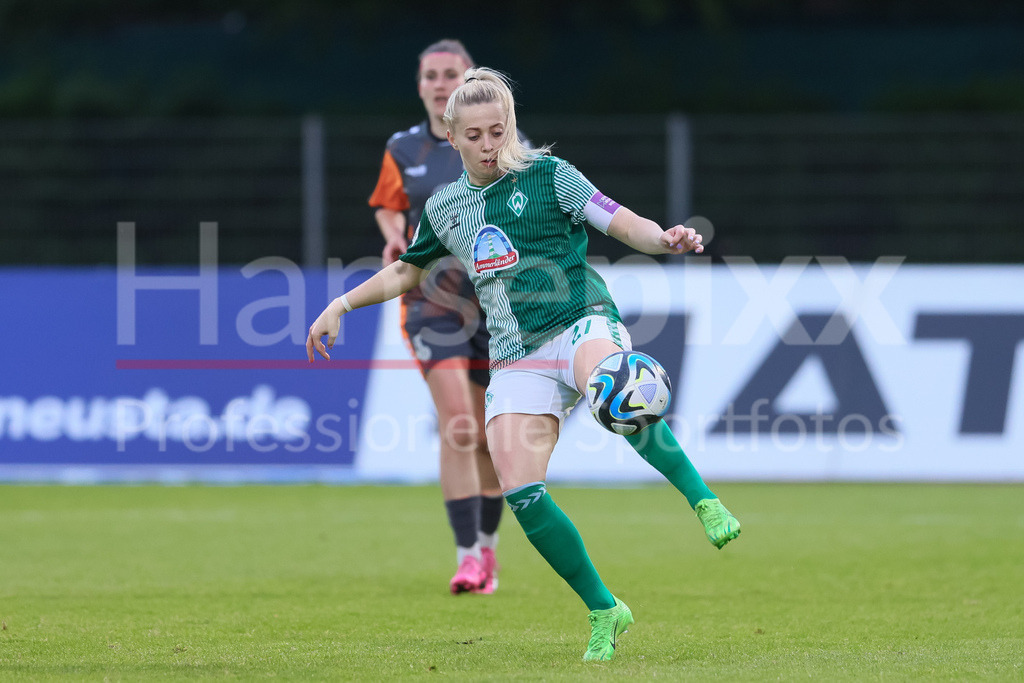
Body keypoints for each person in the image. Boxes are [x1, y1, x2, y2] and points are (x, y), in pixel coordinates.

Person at [309, 67, 741, 662]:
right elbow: (408, 270)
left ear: (511, 128)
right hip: (516, 355)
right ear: (452, 137)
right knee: (521, 490)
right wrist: (341, 303)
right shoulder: (446, 207)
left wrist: (664, 239)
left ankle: (702, 499)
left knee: (615, 388)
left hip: (580, 318)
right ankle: (604, 609)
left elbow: (619, 220)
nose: (489, 146)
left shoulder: (548, 175)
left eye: (498, 131)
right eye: (476, 135)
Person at [367, 39, 503, 595]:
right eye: (432, 75)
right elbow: (386, 203)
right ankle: (467, 556)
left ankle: (489, 552)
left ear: (471, 78)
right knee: (460, 426)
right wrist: (394, 234)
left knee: (493, 439)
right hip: (430, 302)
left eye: (452, 73)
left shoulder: (503, 145)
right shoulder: (403, 148)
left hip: (497, 306)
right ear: (420, 84)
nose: (442, 82)